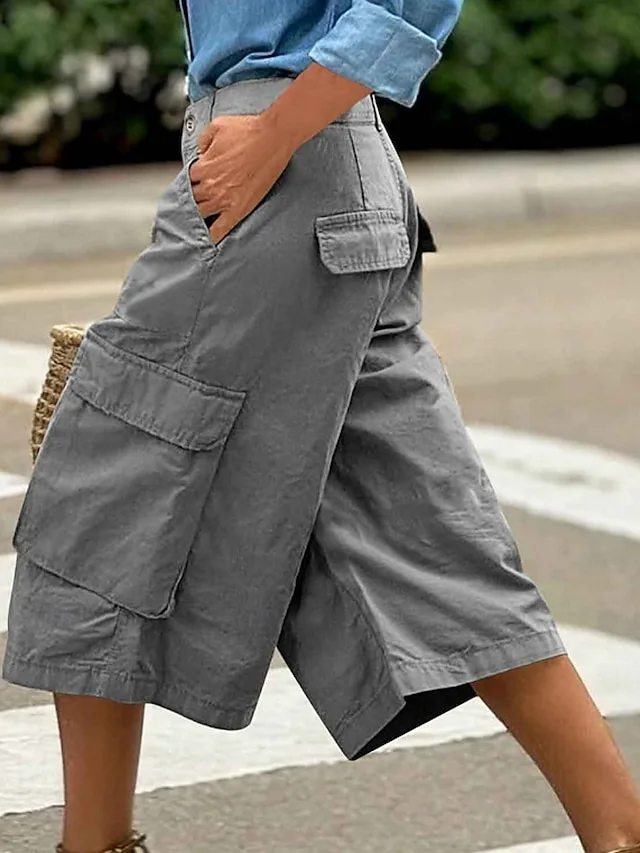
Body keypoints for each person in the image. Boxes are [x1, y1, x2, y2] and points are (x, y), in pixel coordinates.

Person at [3, 2, 640, 852]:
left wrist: (272, 135)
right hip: (331, 175)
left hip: (275, 168)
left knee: (98, 506)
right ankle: (621, 830)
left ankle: (95, 843)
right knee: (426, 541)